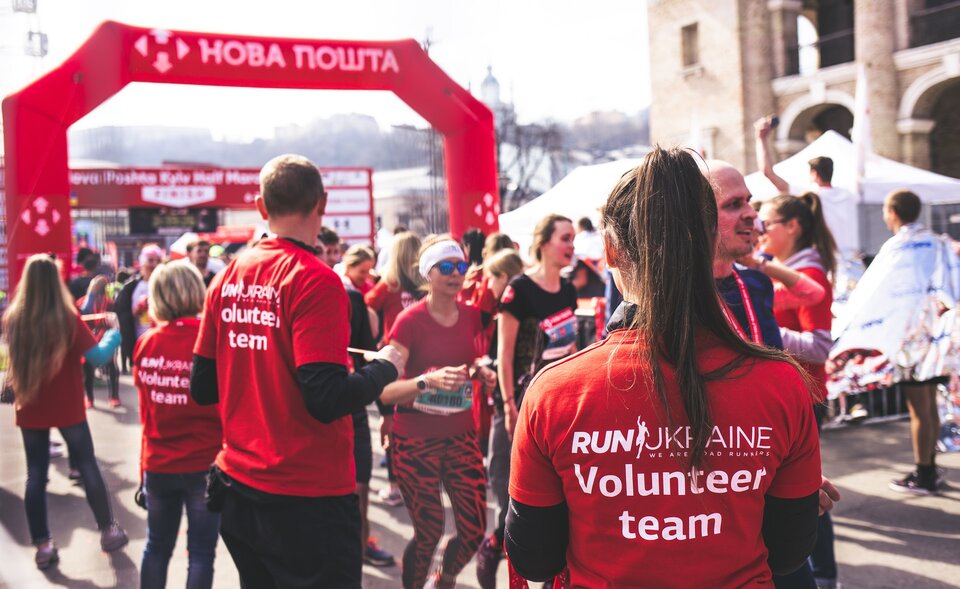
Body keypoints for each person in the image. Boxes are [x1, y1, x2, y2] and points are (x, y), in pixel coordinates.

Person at [506, 147, 823, 587]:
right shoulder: (782, 383)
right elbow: (788, 552)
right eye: (734, 204)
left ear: (612, 252)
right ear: (712, 238)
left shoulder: (554, 393)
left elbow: (534, 559)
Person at [190, 154, 403, 588]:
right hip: (307, 498)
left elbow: (203, 385)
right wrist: (385, 368)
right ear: (322, 204)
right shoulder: (316, 279)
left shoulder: (228, 275)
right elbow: (325, 399)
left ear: (261, 207)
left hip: (240, 488)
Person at [379, 236, 496, 589]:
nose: (455, 273)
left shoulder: (473, 317)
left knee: (475, 529)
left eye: (460, 266)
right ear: (428, 273)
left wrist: (480, 372)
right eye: (446, 267)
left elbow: (468, 362)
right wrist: (425, 382)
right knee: (429, 531)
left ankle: (443, 580)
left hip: (461, 438)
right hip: (415, 441)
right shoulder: (409, 321)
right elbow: (384, 389)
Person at [3, 254, 128, 570]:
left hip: (30, 404)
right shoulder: (66, 317)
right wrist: (114, 331)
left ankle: (43, 545)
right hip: (68, 404)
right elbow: (99, 357)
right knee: (87, 465)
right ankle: (108, 530)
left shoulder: (14, 318)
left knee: (36, 474)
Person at [832, 190, 958, 495]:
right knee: (928, 405)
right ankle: (928, 463)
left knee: (919, 408)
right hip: (934, 339)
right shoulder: (936, 242)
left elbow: (872, 293)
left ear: (892, 213)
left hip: (909, 343)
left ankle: (923, 472)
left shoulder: (898, 247)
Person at [477, 215, 579, 585]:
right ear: (544, 243)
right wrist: (508, 405)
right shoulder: (519, 289)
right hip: (521, 404)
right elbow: (503, 354)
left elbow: (569, 348)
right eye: (565, 238)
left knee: (559, 502)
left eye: (573, 238)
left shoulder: (567, 290)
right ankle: (493, 550)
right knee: (513, 498)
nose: (571, 245)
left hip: (560, 405)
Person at [749, 192, 840, 589]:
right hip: (784, 396)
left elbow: (820, 345)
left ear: (793, 227)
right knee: (797, 490)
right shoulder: (781, 268)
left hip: (806, 396)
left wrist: (760, 334)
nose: (759, 229)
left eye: (766, 223)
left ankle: (824, 573)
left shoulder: (811, 273)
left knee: (807, 491)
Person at [134, 262, 222, 589]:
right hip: (205, 464)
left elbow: (146, 411)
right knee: (201, 553)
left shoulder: (146, 343)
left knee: (156, 546)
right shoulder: (211, 342)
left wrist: (142, 469)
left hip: (158, 464)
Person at [317, 226, 397, 569]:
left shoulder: (349, 298)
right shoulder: (299, 295)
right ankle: (342, 549)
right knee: (335, 484)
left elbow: (367, 353)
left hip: (347, 401)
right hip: (322, 405)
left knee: (358, 480)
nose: (328, 259)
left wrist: (387, 413)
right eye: (325, 252)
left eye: (332, 252)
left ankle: (359, 543)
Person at [474, 248, 525, 589]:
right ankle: (495, 548)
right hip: (502, 408)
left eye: (492, 276)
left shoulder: (514, 306)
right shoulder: (491, 310)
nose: (486, 284)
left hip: (512, 409)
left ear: (505, 278)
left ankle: (495, 547)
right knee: (501, 486)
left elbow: (510, 358)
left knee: (506, 486)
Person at [365, 231, 425, 508]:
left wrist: (375, 340)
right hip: (423, 364)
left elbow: (364, 308)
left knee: (393, 428)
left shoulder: (387, 287)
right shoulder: (427, 286)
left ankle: (394, 487)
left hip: (395, 367)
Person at [755, 118, 859, 266]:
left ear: (814, 174)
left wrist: (761, 138)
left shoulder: (810, 195)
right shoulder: (850, 195)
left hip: (827, 262)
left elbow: (767, 172)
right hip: (853, 263)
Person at [116, 244, 164, 371]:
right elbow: (122, 315)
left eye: (158, 261)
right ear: (142, 263)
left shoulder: (167, 285)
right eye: (150, 260)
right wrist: (137, 310)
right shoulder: (131, 287)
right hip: (139, 341)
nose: (154, 265)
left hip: (162, 341)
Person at [78, 275, 121, 408]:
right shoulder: (82, 302)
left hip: (103, 337)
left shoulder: (109, 302)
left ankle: (111, 397)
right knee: (91, 369)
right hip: (92, 337)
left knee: (108, 367)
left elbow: (112, 319)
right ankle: (93, 398)